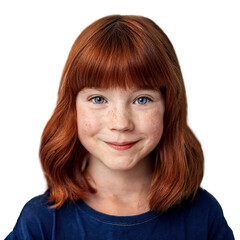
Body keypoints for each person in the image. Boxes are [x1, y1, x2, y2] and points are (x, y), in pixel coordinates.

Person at [5, 15, 234, 239]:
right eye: (98, 99)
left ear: (170, 106)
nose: (121, 123)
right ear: (72, 108)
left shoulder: (203, 216)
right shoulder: (41, 223)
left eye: (142, 99)